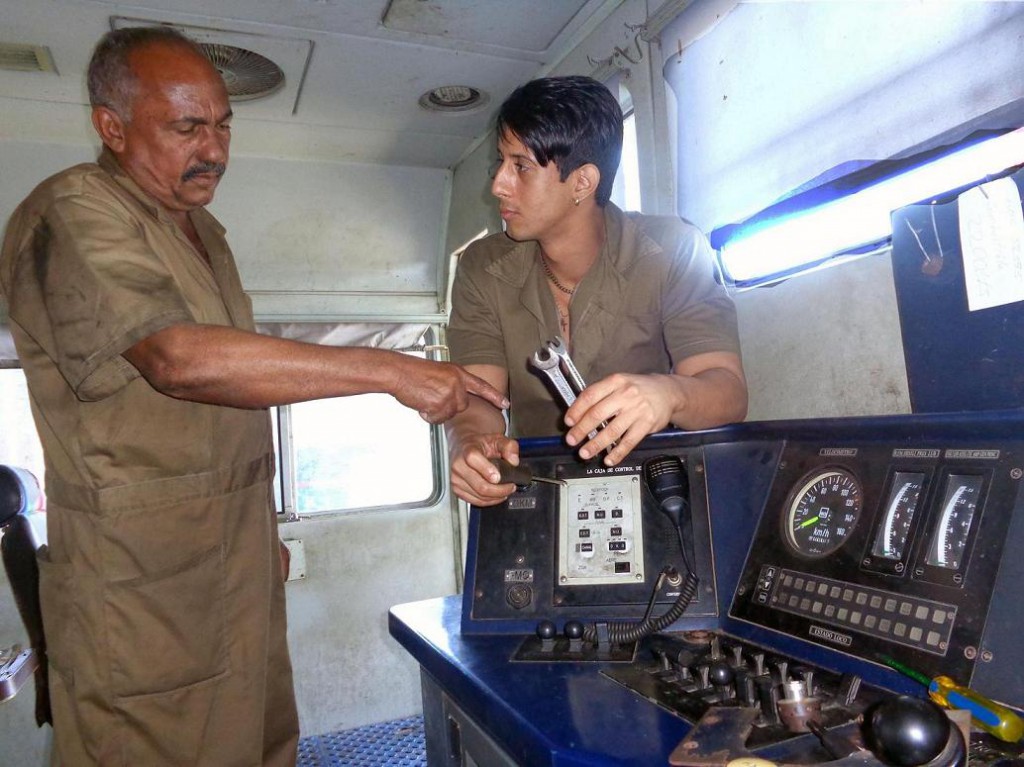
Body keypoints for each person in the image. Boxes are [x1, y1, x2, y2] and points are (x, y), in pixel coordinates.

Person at [0, 27, 507, 766]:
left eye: (223, 124)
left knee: (261, 743)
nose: (214, 149)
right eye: (186, 127)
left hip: (231, 567)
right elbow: (178, 359)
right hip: (141, 592)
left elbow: (223, 407)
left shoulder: (201, 229)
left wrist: (252, 529)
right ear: (111, 128)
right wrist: (390, 368)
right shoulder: (75, 211)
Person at [445, 75, 747, 507]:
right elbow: (480, 398)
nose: (498, 185)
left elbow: (728, 393)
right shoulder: (482, 268)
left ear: (583, 183)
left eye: (521, 167)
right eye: (500, 163)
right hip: (541, 490)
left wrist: (669, 393)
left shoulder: (674, 250)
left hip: (663, 489)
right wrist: (472, 444)